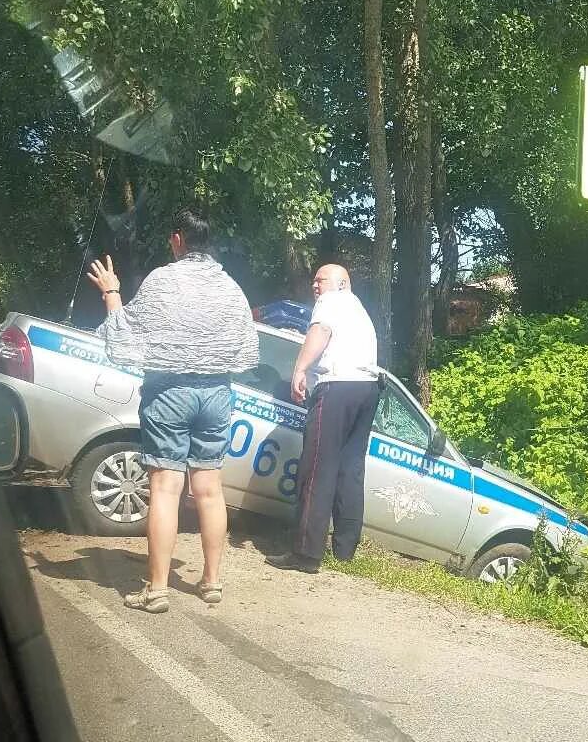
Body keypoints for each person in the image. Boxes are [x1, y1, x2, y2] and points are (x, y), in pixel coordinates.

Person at [87, 209, 258, 611]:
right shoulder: (229, 286)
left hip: (169, 394)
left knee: (165, 488)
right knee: (210, 490)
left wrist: (111, 293)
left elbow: (126, 339)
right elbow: (247, 348)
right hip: (216, 393)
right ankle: (212, 583)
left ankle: (157, 589)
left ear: (178, 240)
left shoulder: (164, 280)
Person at [266, 264, 381, 573]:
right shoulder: (359, 309)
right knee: (350, 469)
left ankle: (306, 552)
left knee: (317, 468)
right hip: (368, 389)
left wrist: (300, 368)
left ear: (342, 283)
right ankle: (345, 550)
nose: (315, 285)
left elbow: (321, 330)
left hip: (337, 387)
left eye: (321, 280)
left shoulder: (334, 300)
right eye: (314, 281)